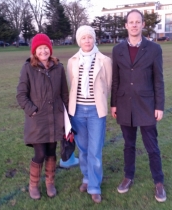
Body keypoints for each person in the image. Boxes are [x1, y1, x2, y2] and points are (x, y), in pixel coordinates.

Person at [110, 9, 166, 202]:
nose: (134, 25)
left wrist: (159, 106)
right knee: (129, 145)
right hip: (125, 104)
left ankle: (159, 182)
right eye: (130, 22)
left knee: (152, 147)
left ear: (143, 25)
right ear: (126, 25)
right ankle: (128, 176)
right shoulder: (117, 50)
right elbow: (115, 80)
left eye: (137, 22)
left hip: (147, 105)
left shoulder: (154, 49)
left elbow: (158, 80)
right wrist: (114, 104)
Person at [16, 33, 69, 200]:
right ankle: (33, 185)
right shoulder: (28, 68)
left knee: (52, 151)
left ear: (50, 49)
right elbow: (21, 95)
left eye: (46, 47)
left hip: (55, 118)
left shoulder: (58, 68)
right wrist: (33, 111)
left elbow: (64, 93)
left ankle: (50, 182)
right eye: (40, 48)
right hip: (37, 120)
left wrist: (67, 115)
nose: (43, 51)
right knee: (40, 153)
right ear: (34, 51)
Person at [67, 25, 112, 203]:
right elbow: (72, 86)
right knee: (83, 149)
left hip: (95, 112)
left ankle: (94, 185)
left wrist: (98, 101)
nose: (87, 40)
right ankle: (86, 178)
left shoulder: (104, 60)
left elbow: (108, 85)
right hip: (77, 111)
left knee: (95, 150)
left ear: (94, 39)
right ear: (79, 40)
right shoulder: (72, 61)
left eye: (90, 37)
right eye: (83, 38)